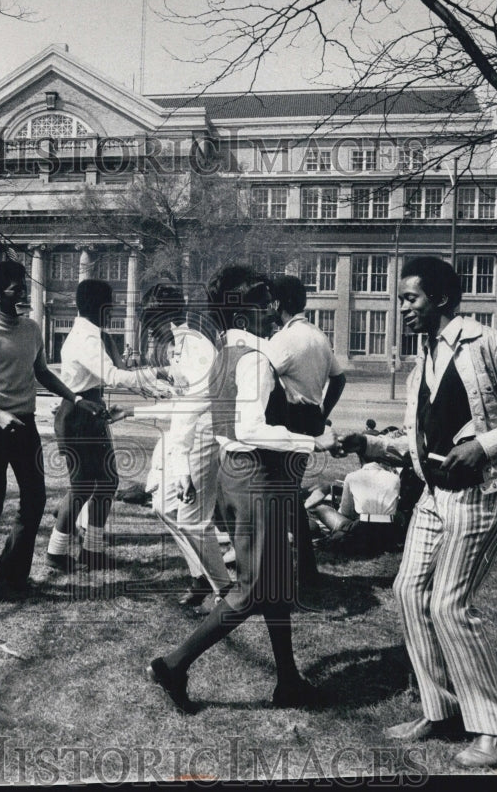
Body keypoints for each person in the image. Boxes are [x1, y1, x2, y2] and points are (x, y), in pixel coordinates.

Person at [339, 256, 497, 768]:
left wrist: (486, 444)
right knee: (407, 591)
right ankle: (439, 709)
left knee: (448, 605)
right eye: (399, 299)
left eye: (409, 299)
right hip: (435, 496)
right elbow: (424, 444)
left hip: (486, 492)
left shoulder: (490, 343)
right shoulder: (424, 358)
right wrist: (368, 444)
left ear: (439, 298)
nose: (402, 309)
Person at [147, 265, 341, 713]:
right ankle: (173, 665)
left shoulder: (222, 354)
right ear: (246, 310)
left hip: (236, 473)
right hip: (256, 475)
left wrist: (181, 462)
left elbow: (191, 408)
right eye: (263, 301)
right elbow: (252, 427)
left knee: (274, 584)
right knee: (255, 588)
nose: (273, 309)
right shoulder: (255, 358)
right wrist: (313, 439)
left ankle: (289, 680)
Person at [0, 260, 106, 605]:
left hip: (26, 426)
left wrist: (76, 398)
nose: (22, 293)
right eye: (14, 288)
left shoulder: (32, 329)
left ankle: (13, 575)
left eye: (23, 286)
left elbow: (43, 373)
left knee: (34, 501)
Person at [44, 279, 174, 572]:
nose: (113, 309)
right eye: (110, 303)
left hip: (90, 412)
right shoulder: (86, 339)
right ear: (98, 306)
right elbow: (114, 375)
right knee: (82, 486)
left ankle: (92, 550)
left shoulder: (97, 335)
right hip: (78, 415)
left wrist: (156, 385)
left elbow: (122, 373)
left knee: (106, 482)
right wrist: (161, 372)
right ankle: (57, 550)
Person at [139, 282, 231, 613]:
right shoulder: (178, 344)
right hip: (185, 435)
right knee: (164, 506)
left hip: (202, 436)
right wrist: (132, 410)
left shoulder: (194, 345)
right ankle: (201, 575)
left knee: (194, 519)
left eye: (152, 322)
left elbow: (192, 410)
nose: (150, 330)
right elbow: (180, 405)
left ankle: (226, 594)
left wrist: (182, 470)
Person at [266, 274, 346, 588]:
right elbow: (339, 379)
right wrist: (322, 414)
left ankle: (295, 571)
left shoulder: (283, 340)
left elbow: (261, 374)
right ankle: (303, 570)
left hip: (289, 420)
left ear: (279, 303)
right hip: (310, 417)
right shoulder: (318, 335)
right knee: (289, 495)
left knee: (279, 494)